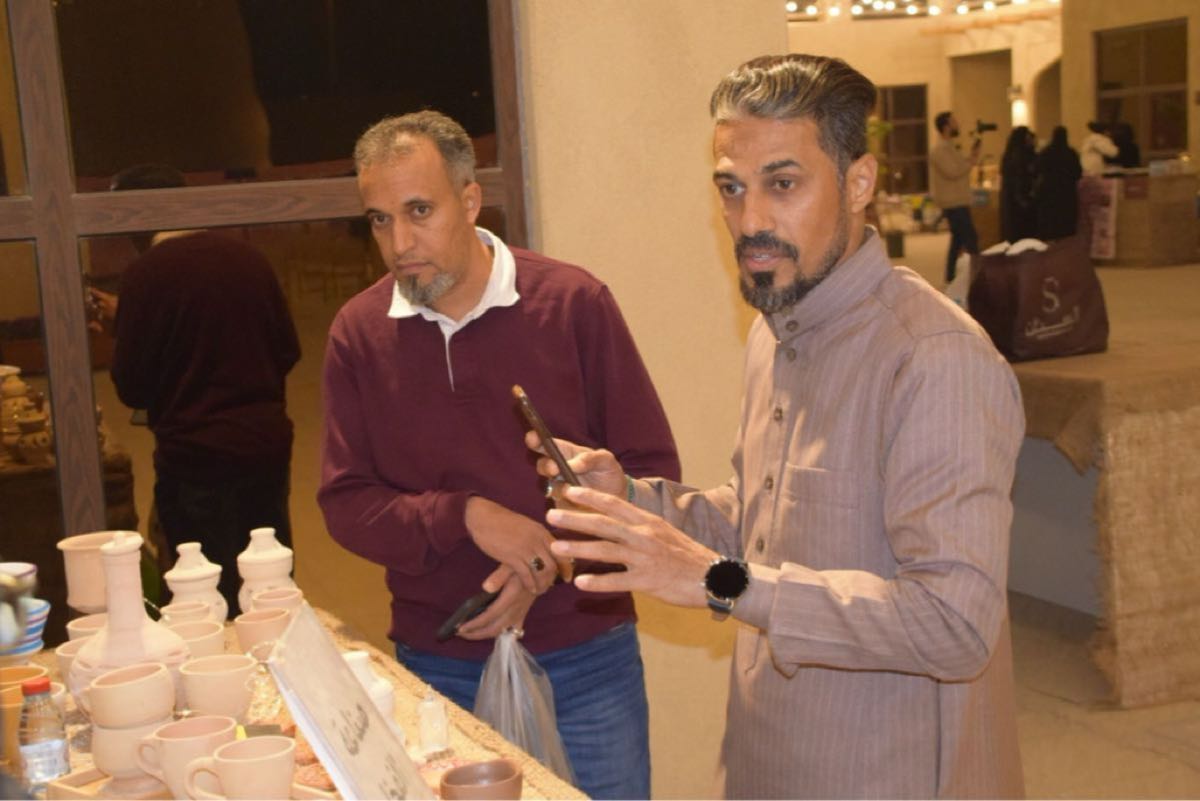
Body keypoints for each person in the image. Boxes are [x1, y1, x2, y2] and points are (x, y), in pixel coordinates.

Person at [533, 54, 1026, 799]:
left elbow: (955, 623)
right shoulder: (776, 331)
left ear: (859, 182)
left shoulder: (934, 359)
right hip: (769, 757)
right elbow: (764, 521)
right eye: (732, 189)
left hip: (884, 775)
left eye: (783, 184)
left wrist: (717, 581)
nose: (751, 221)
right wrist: (634, 499)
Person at [317, 110, 680, 800]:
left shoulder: (572, 303)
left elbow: (649, 475)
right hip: (437, 661)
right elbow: (346, 505)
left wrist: (548, 561)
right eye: (379, 220)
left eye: (419, 211)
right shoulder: (359, 334)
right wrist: (464, 515)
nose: (400, 243)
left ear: (470, 200)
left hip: (586, 652)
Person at [99, 164, 300, 617]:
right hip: (264, 446)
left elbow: (133, 386)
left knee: (203, 596)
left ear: (134, 216)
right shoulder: (248, 259)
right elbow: (286, 349)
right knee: (269, 583)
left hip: (195, 457)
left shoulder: (145, 275)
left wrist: (128, 328)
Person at [930, 110, 981, 284]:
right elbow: (953, 172)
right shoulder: (939, 150)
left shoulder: (949, 147)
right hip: (953, 202)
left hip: (958, 200)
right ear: (946, 126)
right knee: (971, 239)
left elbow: (959, 166)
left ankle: (950, 276)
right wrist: (970, 162)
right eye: (953, 122)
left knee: (958, 240)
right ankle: (979, 276)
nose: (957, 125)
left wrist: (972, 157)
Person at [1034, 126, 1083, 241]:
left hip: (1049, 191)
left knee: (1050, 220)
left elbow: (1037, 169)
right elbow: (1078, 173)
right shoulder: (1071, 153)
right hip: (1066, 192)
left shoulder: (1046, 152)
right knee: (1064, 222)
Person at [999, 125, 1038, 243]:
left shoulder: (1009, 155)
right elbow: (1021, 179)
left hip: (1012, 200)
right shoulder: (1021, 156)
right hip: (1020, 200)